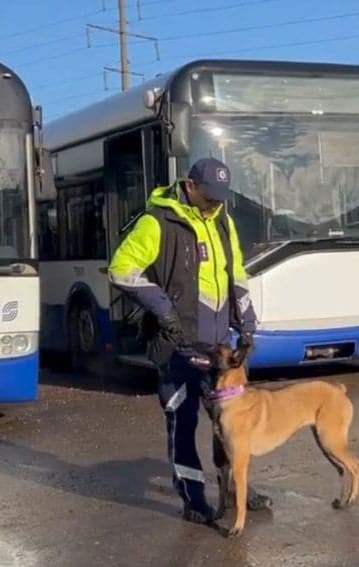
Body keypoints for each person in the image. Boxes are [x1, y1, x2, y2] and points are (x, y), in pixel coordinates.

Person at [108, 157, 270, 524]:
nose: (215, 204)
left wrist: (246, 323)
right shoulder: (158, 222)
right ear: (190, 186)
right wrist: (163, 310)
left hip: (218, 348)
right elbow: (121, 269)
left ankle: (236, 488)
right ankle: (194, 500)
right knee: (183, 423)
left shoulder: (223, 221)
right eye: (209, 197)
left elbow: (236, 274)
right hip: (177, 345)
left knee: (230, 422)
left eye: (220, 198)